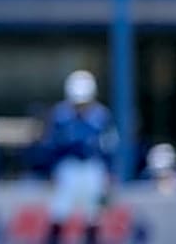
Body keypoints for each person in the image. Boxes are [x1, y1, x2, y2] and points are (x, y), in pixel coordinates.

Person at [41, 70, 117, 244]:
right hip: (68, 167)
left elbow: (109, 146)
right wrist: (51, 171)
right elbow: (52, 146)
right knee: (58, 213)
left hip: (92, 167)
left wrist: (109, 173)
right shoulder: (60, 115)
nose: (80, 107)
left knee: (93, 216)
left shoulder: (101, 116)